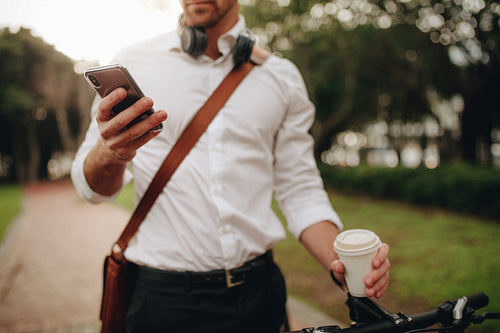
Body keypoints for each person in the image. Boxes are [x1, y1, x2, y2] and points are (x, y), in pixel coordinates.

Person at [71, 1, 390, 332]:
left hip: (259, 297)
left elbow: (300, 190)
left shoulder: (282, 77)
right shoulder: (134, 63)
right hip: (162, 301)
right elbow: (91, 191)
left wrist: (339, 262)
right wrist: (111, 153)